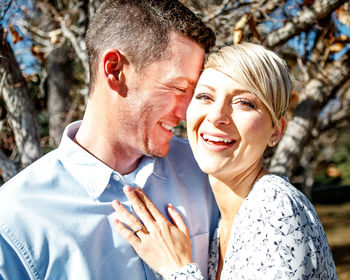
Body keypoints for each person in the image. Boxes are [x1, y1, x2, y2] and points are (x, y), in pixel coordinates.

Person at [0, 1, 220, 279]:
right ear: (115, 70)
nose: (188, 112)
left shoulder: (205, 171)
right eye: (178, 88)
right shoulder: (14, 218)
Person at [112, 43, 338, 279]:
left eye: (245, 103)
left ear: (276, 131)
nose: (217, 116)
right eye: (205, 96)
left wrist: (177, 269)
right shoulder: (222, 225)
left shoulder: (274, 206)